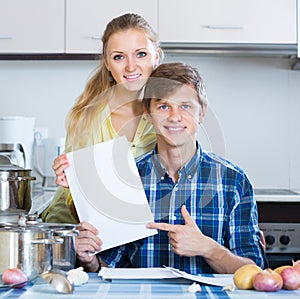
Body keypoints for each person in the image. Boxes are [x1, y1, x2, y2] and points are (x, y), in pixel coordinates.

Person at [96, 62, 267, 274]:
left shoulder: (234, 181)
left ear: (202, 113)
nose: (174, 117)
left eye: (185, 106)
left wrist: (209, 249)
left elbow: (255, 271)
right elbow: (107, 265)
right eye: (163, 106)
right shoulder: (127, 178)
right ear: (147, 114)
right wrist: (87, 259)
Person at [42, 13, 162, 226]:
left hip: (143, 232)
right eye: (119, 57)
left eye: (141, 54)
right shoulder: (86, 116)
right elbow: (72, 201)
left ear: (156, 56)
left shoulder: (171, 116)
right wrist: (73, 183)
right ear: (107, 62)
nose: (131, 67)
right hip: (79, 227)